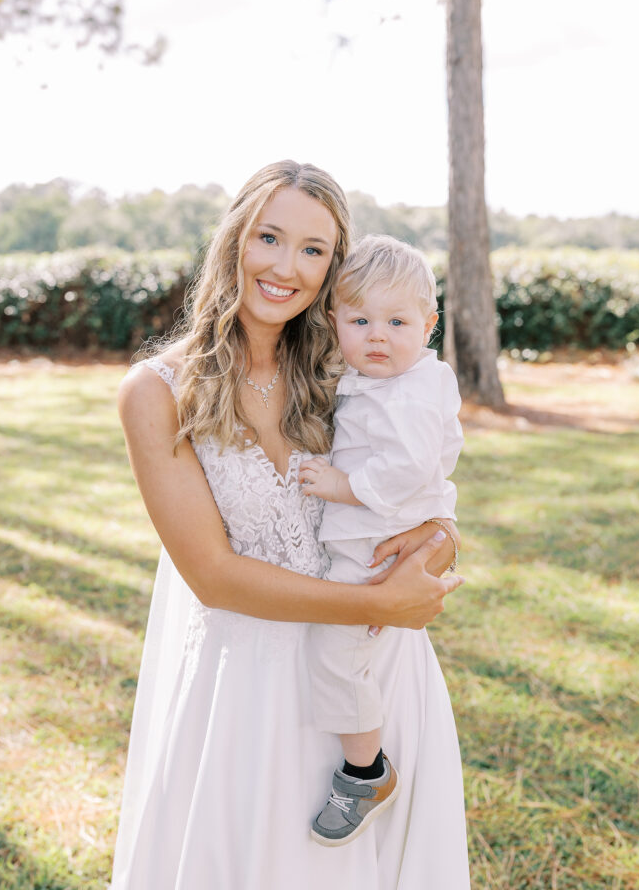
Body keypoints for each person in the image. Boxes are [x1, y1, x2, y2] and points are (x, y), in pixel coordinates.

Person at [110, 161, 470, 889]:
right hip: (250, 690)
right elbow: (211, 576)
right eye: (268, 237)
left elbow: (425, 467)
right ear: (233, 240)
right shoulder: (158, 392)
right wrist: (376, 602)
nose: (285, 267)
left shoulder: (352, 361)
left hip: (374, 676)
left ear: (334, 271)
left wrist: (441, 534)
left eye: (312, 250)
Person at [298, 235, 463, 847]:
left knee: (334, 655)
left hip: (375, 549)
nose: (377, 336)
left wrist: (342, 486)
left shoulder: (416, 387)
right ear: (334, 321)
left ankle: (364, 772)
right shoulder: (377, 377)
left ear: (429, 323)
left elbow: (410, 468)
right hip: (366, 541)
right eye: (360, 320)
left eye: (397, 322)